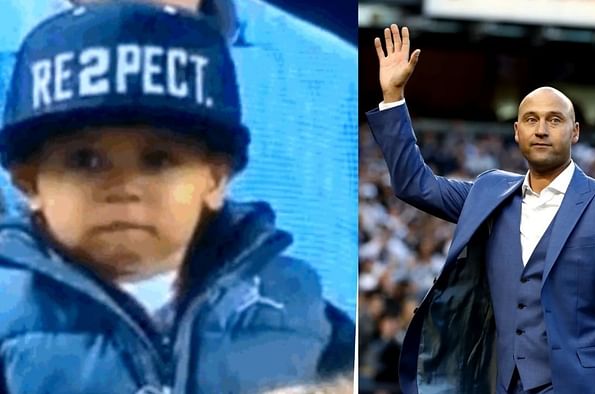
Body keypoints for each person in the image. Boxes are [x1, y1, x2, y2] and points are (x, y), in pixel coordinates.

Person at [0, 3, 352, 394]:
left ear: (217, 179)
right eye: (86, 160)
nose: (125, 186)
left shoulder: (294, 302)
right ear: (26, 182)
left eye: (159, 160)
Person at [365, 24, 595, 393]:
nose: (541, 129)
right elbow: (414, 184)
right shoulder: (489, 194)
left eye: (554, 120)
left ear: (575, 132)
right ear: (516, 132)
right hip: (502, 384)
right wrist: (393, 96)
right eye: (531, 119)